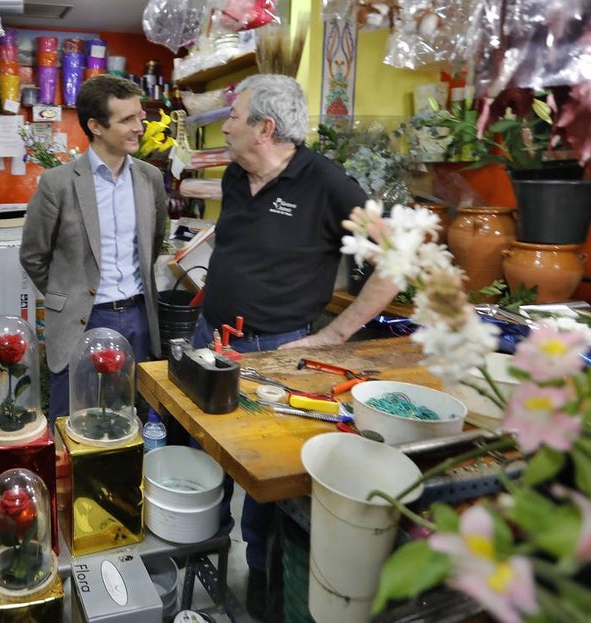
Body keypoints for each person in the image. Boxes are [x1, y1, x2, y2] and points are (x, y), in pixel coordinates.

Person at [195, 73, 398, 620]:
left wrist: (336, 333)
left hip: (278, 351)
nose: (226, 126)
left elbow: (396, 262)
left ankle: (261, 589)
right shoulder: (236, 174)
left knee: (267, 480)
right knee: (204, 458)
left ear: (264, 128)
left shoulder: (328, 184)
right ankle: (202, 562)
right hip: (212, 339)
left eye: (233, 116)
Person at [20, 74, 167, 421]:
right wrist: (68, 293)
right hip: (81, 319)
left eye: (139, 117)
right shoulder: (58, 184)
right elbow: (33, 255)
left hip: (138, 317)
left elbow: (155, 241)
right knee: (71, 420)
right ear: (96, 126)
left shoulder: (150, 179)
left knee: (128, 418)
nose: (139, 128)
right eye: (126, 120)